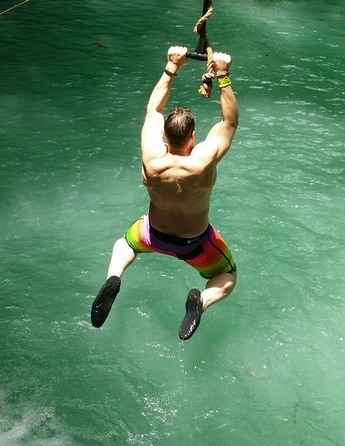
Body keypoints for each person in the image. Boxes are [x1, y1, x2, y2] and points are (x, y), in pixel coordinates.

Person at [90, 46, 238, 340]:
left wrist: (172, 66)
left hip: (152, 233)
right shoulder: (203, 160)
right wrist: (222, 74)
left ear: (163, 136)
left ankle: (114, 277)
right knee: (227, 277)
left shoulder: (152, 157)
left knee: (125, 244)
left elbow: (153, 110)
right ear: (194, 137)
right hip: (196, 244)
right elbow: (229, 122)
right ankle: (201, 302)